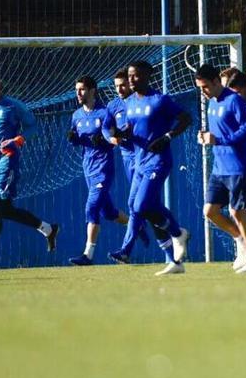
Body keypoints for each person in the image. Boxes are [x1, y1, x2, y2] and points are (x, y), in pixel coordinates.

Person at [0, 69, 59, 269]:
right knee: (2, 209)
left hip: (8, 161)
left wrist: (17, 140)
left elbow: (33, 127)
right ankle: (47, 229)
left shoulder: (14, 106)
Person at [121, 60, 192, 275]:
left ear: (146, 76)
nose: (131, 80)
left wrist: (168, 136)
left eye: (135, 75)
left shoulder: (160, 100)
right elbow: (133, 126)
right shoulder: (130, 102)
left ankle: (177, 233)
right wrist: (123, 132)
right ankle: (175, 260)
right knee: (135, 205)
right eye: (129, 75)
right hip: (139, 162)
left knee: (143, 206)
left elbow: (186, 118)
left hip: (158, 160)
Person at [196, 63, 246, 273]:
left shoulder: (234, 100)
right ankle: (242, 241)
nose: (203, 92)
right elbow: (217, 133)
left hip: (238, 167)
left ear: (216, 81)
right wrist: (205, 137)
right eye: (200, 88)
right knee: (210, 211)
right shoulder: (211, 104)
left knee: (237, 211)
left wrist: (219, 140)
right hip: (219, 168)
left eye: (205, 86)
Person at [66, 75, 129, 266]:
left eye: (82, 89)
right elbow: (79, 139)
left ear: (92, 90)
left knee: (91, 207)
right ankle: (136, 225)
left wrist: (104, 140)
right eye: (76, 90)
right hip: (88, 169)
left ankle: (88, 254)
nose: (78, 93)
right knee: (108, 212)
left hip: (104, 168)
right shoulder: (76, 115)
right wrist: (74, 139)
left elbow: (114, 137)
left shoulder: (104, 112)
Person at [105, 68, 152, 264]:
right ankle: (173, 233)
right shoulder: (113, 105)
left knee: (138, 205)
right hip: (128, 158)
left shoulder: (143, 101)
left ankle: (127, 248)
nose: (120, 89)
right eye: (116, 86)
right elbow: (106, 127)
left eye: (123, 85)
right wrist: (111, 137)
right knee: (139, 206)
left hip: (146, 157)